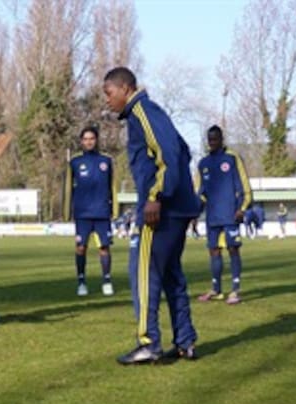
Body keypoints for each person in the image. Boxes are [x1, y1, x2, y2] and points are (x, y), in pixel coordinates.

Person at [103, 66, 199, 364]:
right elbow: (183, 151)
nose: (107, 100)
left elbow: (168, 153)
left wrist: (156, 195)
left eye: (109, 93)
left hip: (162, 209)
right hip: (178, 207)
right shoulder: (149, 113)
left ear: (125, 88)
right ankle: (185, 341)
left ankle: (148, 342)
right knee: (171, 274)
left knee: (143, 271)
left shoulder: (142, 112)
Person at [196, 125, 252, 305]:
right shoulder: (203, 163)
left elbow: (244, 185)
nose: (212, 142)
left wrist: (242, 207)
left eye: (215, 139)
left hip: (231, 214)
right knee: (213, 250)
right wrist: (195, 214)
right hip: (212, 216)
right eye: (210, 139)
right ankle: (216, 289)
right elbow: (200, 193)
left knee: (233, 248)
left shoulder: (232, 158)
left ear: (222, 139)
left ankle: (235, 290)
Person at [63, 126, 118, 296]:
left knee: (104, 247)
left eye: (92, 138)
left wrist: (114, 209)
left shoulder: (106, 161)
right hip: (82, 213)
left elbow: (113, 186)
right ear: (81, 141)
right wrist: (67, 212)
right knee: (81, 247)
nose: (89, 142)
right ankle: (81, 282)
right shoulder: (75, 162)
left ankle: (107, 281)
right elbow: (67, 189)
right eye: (85, 139)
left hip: (102, 212)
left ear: (96, 140)